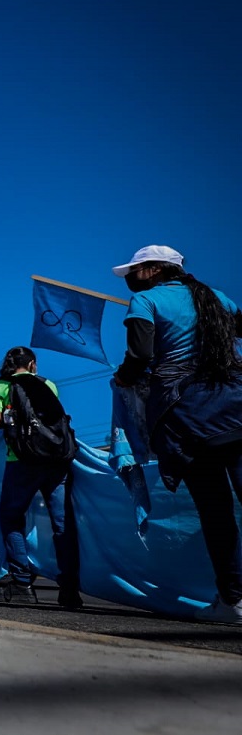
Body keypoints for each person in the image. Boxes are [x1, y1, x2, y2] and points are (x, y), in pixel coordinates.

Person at [111, 245, 242, 624]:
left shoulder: (147, 302)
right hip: (237, 404)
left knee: (216, 512)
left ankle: (233, 600)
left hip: (190, 418)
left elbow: (139, 355)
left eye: (134, 271)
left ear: (152, 270)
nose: (130, 280)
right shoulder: (219, 298)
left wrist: (124, 379)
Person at [0, 347, 82, 609]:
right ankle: (70, 590)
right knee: (62, 524)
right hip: (55, 461)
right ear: (32, 364)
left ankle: (22, 583)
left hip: (22, 461)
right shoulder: (48, 384)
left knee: (11, 517)